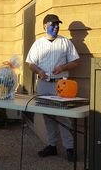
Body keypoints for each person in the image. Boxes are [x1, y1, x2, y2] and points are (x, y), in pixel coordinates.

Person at [25, 14, 79, 162]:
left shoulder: (65, 42)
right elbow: (30, 64)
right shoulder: (38, 44)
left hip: (61, 84)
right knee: (47, 116)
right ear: (44, 26)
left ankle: (70, 148)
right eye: (53, 24)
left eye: (57, 24)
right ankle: (52, 145)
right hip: (43, 84)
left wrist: (63, 67)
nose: (56, 26)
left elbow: (76, 62)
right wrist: (39, 71)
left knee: (64, 117)